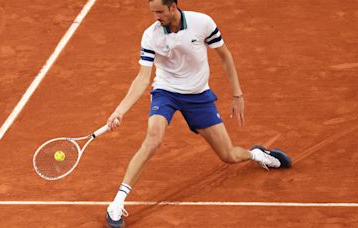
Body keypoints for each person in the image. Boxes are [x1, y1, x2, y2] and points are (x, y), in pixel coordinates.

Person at [105, 0, 291, 227]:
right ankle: (116, 203)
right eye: (152, 12)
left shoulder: (202, 23)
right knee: (153, 140)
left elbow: (225, 56)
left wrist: (237, 94)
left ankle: (257, 155)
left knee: (229, 155)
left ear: (173, 7)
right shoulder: (151, 35)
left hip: (198, 95)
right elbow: (143, 77)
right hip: (166, 92)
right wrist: (120, 110)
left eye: (160, 11)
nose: (156, 17)